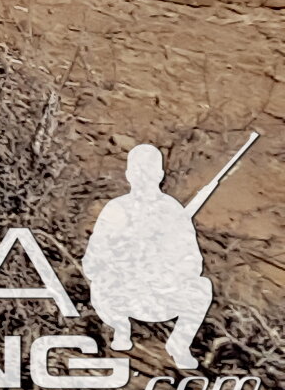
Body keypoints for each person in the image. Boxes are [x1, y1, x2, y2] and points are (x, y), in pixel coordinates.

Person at [85, 143, 218, 369]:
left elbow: (193, 263)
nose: (144, 177)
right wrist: (122, 265)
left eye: (149, 171)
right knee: (99, 284)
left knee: (201, 287)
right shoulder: (116, 209)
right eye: (139, 171)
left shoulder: (173, 210)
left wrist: (165, 271)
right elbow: (92, 260)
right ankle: (120, 327)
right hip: (123, 296)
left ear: (160, 175)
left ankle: (179, 344)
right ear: (129, 175)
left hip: (161, 298)